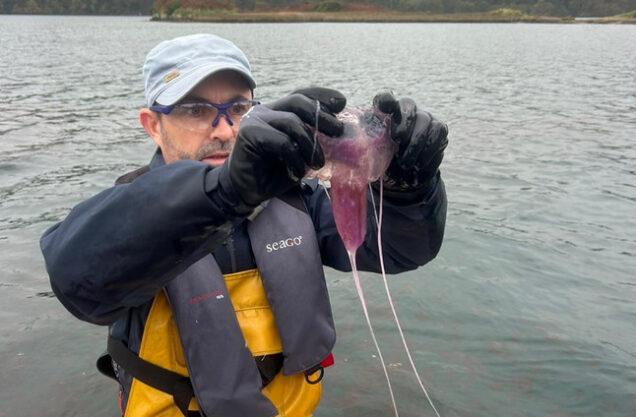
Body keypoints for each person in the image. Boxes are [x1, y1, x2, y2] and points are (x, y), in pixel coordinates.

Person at [40, 33, 449, 417]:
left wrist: (409, 190)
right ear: (152, 124)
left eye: (237, 108)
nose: (223, 128)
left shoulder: (294, 199)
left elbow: (401, 248)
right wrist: (225, 192)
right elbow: (78, 282)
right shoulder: (130, 218)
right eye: (195, 110)